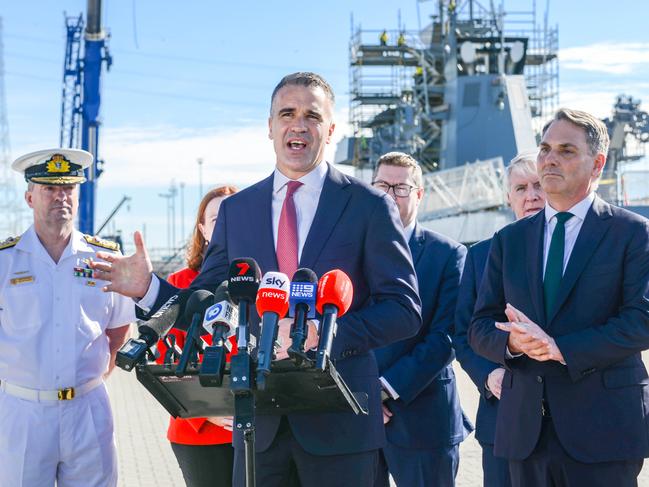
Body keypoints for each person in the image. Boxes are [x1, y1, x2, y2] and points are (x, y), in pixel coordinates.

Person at [90, 72, 422, 487]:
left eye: (311, 115)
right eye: (287, 113)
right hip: (258, 427)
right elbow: (205, 298)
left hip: (340, 424)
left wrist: (324, 332)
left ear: (331, 129)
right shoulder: (238, 210)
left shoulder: (369, 206)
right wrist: (149, 288)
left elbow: (403, 309)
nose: (298, 124)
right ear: (270, 127)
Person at [469, 108, 649, 487]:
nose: (550, 159)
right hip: (525, 433)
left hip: (604, 430)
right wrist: (512, 344)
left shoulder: (633, 234)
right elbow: (480, 326)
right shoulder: (509, 241)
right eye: (545, 148)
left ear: (597, 164)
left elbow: (641, 322)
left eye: (566, 150)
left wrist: (559, 347)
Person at [0, 149, 133, 486]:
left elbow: (117, 331)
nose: (61, 196)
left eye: (69, 189)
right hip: (23, 411)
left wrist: (93, 376)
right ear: (30, 197)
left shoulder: (105, 258)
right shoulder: (5, 261)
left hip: (87, 408)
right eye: (49, 188)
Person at [371, 152, 472, 487]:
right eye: (382, 185)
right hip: (359, 416)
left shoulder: (450, 255)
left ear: (418, 194)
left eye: (400, 187)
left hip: (424, 418)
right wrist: (361, 392)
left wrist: (384, 390)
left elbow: (446, 337)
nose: (389, 194)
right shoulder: (350, 251)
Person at [453, 152, 546, 487]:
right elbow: (462, 333)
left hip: (568, 420)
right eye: (521, 188)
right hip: (502, 417)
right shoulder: (480, 256)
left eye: (538, 185)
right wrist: (486, 375)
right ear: (509, 198)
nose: (531, 195)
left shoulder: (570, 249)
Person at [155, 185, 237, 487]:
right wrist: (206, 412)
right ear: (202, 229)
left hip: (261, 429)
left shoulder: (265, 281)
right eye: (217, 219)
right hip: (200, 431)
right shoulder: (180, 284)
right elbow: (165, 362)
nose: (227, 225)